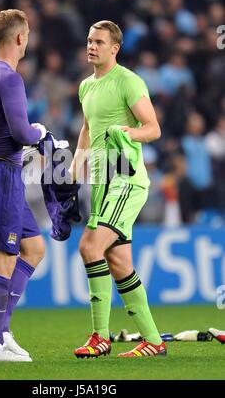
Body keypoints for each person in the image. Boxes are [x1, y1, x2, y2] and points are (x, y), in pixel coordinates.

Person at [69, 20, 166, 358]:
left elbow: (152, 128)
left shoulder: (128, 80)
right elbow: (86, 129)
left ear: (115, 48)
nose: (92, 46)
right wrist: (73, 169)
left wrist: (128, 132)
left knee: (90, 246)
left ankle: (101, 337)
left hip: (125, 178)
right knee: (118, 261)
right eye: (89, 40)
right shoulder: (86, 87)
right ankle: (153, 341)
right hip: (101, 182)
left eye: (99, 41)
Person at [0, 9, 46, 362]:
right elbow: (20, 133)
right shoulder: (10, 77)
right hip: (1, 175)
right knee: (3, 259)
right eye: (27, 35)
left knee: (33, 249)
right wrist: (41, 134)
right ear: (20, 38)